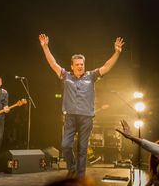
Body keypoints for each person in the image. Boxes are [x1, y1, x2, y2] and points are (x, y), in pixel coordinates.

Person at [39, 33, 125, 177]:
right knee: (65, 145)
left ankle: (80, 176)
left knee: (83, 148)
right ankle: (72, 168)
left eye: (82, 64)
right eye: (77, 64)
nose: (80, 66)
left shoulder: (91, 76)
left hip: (86, 118)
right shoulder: (65, 76)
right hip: (70, 117)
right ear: (72, 66)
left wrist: (116, 52)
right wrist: (45, 47)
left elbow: (106, 66)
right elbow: (53, 63)